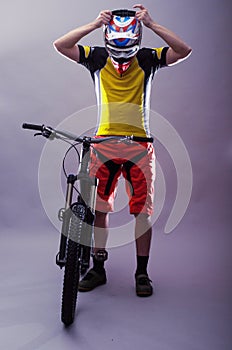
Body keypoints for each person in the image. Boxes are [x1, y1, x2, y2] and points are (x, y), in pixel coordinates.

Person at [53, 4, 192, 297]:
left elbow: (183, 50)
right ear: (107, 39)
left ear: (136, 40)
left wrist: (152, 24)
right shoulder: (97, 57)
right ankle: (98, 269)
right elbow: (61, 45)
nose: (121, 50)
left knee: (142, 214)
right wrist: (93, 24)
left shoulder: (147, 58)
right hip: (103, 143)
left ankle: (142, 273)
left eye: (127, 44)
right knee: (100, 209)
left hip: (140, 145)